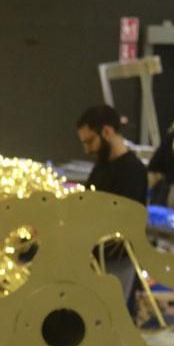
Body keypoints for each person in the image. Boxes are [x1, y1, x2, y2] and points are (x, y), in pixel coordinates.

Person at [75, 104, 147, 301]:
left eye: (90, 141)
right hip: (97, 258)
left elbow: (123, 221)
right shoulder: (101, 168)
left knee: (110, 320)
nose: (87, 149)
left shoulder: (133, 170)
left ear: (106, 131)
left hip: (117, 261)